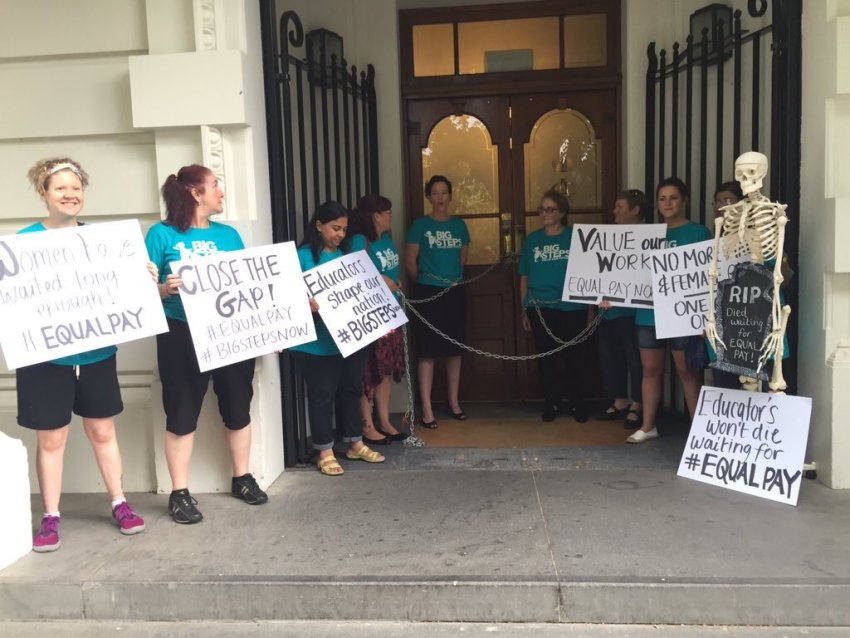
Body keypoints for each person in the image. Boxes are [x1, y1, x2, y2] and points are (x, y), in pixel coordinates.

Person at [19, 157, 148, 552]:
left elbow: (123, 288)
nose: (70, 195)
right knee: (52, 439)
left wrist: (142, 277)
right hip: (44, 357)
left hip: (94, 351)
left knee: (102, 430)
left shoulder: (104, 242)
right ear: (43, 194)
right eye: (60, 188)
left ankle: (119, 502)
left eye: (76, 188)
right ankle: (51, 516)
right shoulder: (22, 244)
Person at [145, 164, 268, 524]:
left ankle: (242, 477)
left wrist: (272, 328)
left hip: (231, 334)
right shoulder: (161, 235)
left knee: (238, 404)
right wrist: (164, 289)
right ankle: (179, 492)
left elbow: (251, 288)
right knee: (181, 410)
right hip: (180, 332)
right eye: (216, 186)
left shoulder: (229, 236)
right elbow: (137, 291)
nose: (222, 193)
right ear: (195, 193)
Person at [290, 201, 386, 476]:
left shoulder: (348, 255)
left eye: (344, 229)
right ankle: (325, 450)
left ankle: (355, 443)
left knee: (351, 389)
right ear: (318, 225)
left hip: (349, 336)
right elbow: (286, 294)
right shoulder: (303, 256)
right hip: (315, 341)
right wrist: (304, 303)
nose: (340, 234)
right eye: (335, 228)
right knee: (322, 394)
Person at [628, 177, 712, 444]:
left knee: (686, 370)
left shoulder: (699, 233)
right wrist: (608, 293)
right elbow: (626, 271)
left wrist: (704, 315)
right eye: (662, 198)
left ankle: (698, 430)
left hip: (683, 314)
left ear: (684, 200)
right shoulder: (648, 235)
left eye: (673, 197)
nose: (667, 203)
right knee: (650, 369)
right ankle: (648, 425)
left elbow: (709, 276)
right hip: (649, 312)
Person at [708, 181, 793, 390]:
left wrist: (775, 249)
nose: (721, 205)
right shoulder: (712, 244)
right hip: (726, 331)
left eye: (728, 200)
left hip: (759, 326)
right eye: (717, 201)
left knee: (762, 390)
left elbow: (784, 277)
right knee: (726, 391)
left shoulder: (763, 239)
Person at [518, 190, 591, 422]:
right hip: (540, 306)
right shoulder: (532, 240)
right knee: (546, 359)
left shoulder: (575, 238)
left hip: (572, 307)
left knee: (574, 358)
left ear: (562, 213)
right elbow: (524, 276)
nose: (544, 213)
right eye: (542, 209)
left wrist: (590, 309)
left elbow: (588, 275)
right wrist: (524, 308)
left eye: (550, 209)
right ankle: (552, 403)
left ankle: (578, 404)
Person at [404, 175, 470, 429]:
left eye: (444, 193)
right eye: (435, 193)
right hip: (428, 293)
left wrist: (450, 280)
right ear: (428, 197)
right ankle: (428, 409)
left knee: (454, 349)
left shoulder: (459, 226)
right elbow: (411, 262)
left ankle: (454, 403)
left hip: (454, 292)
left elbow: (462, 260)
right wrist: (424, 283)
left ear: (450, 196)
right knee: (428, 350)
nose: (440, 197)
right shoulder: (420, 225)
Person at [348, 194, 408, 444]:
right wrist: (381, 280)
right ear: (376, 216)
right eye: (387, 212)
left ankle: (384, 420)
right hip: (369, 315)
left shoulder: (385, 239)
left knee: (385, 370)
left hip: (390, 311)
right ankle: (367, 424)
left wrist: (394, 283)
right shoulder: (358, 241)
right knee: (368, 371)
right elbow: (354, 273)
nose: (391, 216)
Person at [595, 190, 646, 429]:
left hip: (635, 312)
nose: (614, 211)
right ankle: (620, 400)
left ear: (635, 210)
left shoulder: (650, 238)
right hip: (609, 311)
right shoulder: (606, 237)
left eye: (619, 206)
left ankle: (638, 403)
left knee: (635, 359)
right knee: (610, 356)